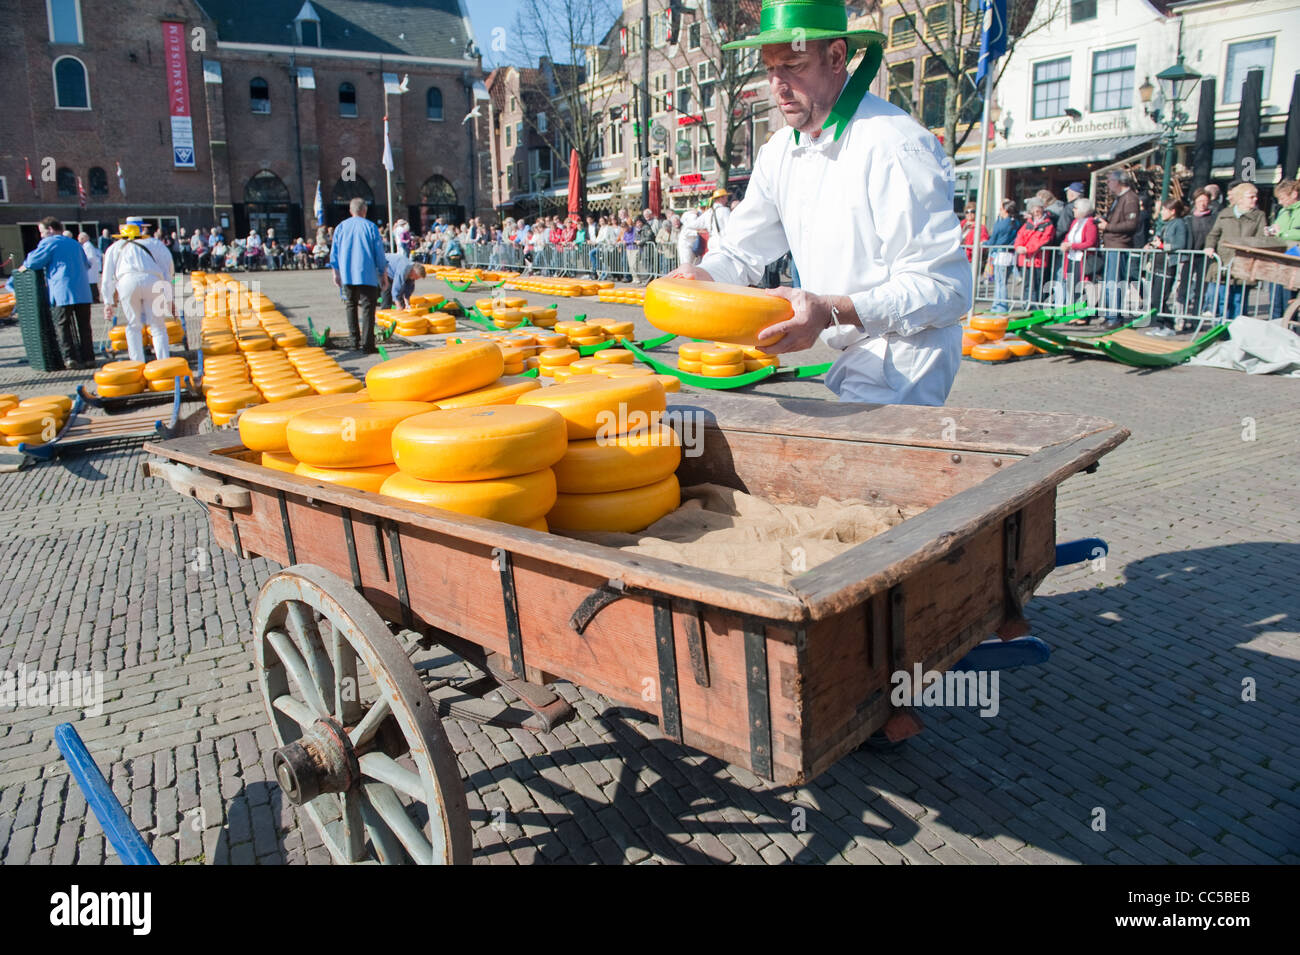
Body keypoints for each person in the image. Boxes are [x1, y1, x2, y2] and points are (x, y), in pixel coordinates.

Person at [669, 3, 969, 405]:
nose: (778, 84)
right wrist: (702, 277)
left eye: (793, 65)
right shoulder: (779, 150)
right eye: (771, 68)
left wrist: (831, 310)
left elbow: (944, 287)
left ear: (836, 57)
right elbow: (742, 250)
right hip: (853, 350)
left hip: (907, 354)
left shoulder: (894, 144)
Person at [17, 216, 94, 368]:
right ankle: (89, 357)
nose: (41, 236)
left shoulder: (49, 242)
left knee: (62, 325)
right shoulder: (75, 244)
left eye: (42, 232)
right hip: (83, 291)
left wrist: (24, 265)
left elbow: (33, 262)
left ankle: (70, 358)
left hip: (62, 291)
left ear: (51, 230)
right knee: (84, 326)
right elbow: (86, 264)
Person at [100, 219, 174, 364]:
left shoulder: (114, 248)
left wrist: (108, 302)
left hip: (127, 282)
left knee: (133, 325)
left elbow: (107, 276)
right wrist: (168, 294)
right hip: (153, 280)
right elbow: (168, 268)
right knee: (157, 325)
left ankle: (137, 364)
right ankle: (164, 364)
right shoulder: (154, 243)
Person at [329, 197, 389, 353]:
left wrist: (335, 272)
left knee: (350, 306)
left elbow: (334, 253)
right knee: (368, 309)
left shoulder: (341, 227)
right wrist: (383, 274)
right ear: (365, 210)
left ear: (350, 211)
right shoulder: (371, 227)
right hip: (366, 274)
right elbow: (379, 254)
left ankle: (354, 341)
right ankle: (368, 344)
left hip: (347, 274)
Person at [1203, 181, 1266, 321]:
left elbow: (1261, 238)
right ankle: (1221, 329)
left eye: (1255, 196)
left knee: (1239, 300)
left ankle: (1236, 330)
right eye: (1251, 196)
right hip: (1223, 262)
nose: (1255, 199)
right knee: (1221, 299)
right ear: (1240, 198)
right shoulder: (1225, 214)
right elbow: (1214, 234)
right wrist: (1209, 246)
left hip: (1244, 263)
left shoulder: (1259, 216)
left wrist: (1249, 249)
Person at [1097, 169, 1141, 326]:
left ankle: (1115, 317)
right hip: (1111, 244)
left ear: (1119, 181)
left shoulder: (1130, 199)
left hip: (1119, 244)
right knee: (1109, 283)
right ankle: (1110, 315)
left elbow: (1131, 224)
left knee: (1115, 282)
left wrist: (1108, 226)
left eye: (1110, 181)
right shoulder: (1119, 199)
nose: (1108, 184)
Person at [1144, 198, 1190, 335]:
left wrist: (1163, 246)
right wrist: (1151, 244)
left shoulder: (1179, 224)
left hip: (1168, 265)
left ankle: (1169, 325)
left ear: (1172, 211)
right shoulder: (1166, 224)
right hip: (1158, 263)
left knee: (1160, 297)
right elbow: (1157, 238)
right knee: (1153, 297)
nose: (1161, 212)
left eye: (1164, 210)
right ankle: (1159, 324)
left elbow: (1180, 244)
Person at [1265, 179, 1300, 319]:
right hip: (1281, 259)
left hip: (1295, 259)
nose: (1280, 202)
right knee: (1276, 300)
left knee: (1289, 300)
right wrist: (1270, 231)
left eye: (1282, 198)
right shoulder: (1283, 212)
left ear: (1294, 194)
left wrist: (1281, 233)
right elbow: (1277, 228)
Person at [1014, 198, 1056, 308]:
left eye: (1038, 211)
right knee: (1027, 285)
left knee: (1037, 286)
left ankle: (1036, 308)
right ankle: (1026, 307)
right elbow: (1019, 236)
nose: (1036, 214)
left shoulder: (1048, 224)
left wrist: (1027, 249)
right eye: (1034, 211)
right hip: (1025, 260)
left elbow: (1043, 240)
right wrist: (1018, 247)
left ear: (1042, 210)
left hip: (1038, 260)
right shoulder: (1028, 224)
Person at [1059, 197, 1099, 312]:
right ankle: (1073, 311)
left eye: (1075, 208)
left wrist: (1073, 246)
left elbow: (1090, 242)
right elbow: (1068, 236)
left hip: (1083, 259)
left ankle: (1083, 313)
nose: (1073, 210)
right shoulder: (1075, 222)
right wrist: (1065, 244)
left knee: (1081, 287)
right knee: (1071, 286)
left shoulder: (1090, 223)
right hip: (1072, 258)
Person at [1182, 187, 1216, 317]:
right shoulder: (1188, 218)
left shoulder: (1213, 218)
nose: (1202, 203)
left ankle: (1196, 318)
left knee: (1200, 289)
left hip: (1205, 257)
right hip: (1190, 255)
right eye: (1200, 200)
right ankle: (1182, 317)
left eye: (1205, 201)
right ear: (1194, 201)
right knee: (1184, 287)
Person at [987, 199, 1019, 313]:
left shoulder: (1002, 224)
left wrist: (983, 244)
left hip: (1001, 255)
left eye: (1001, 209)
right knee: (1002, 282)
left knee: (1000, 283)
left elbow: (993, 241)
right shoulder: (1016, 222)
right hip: (1010, 255)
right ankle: (998, 304)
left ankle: (1000, 305)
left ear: (1005, 210)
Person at [78, 232, 103, 305]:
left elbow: (90, 257)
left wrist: (86, 265)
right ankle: (94, 298)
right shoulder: (87, 245)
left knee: (92, 285)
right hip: (91, 269)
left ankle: (95, 298)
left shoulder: (87, 246)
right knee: (92, 284)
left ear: (83, 238)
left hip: (90, 268)